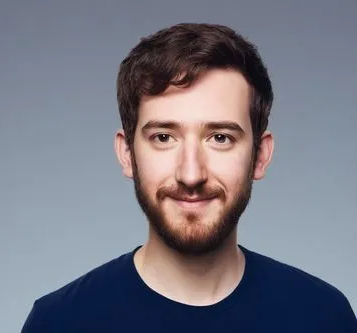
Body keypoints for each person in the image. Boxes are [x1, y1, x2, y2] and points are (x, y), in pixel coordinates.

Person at [21, 23, 357, 332]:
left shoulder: (324, 316)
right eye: (164, 137)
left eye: (220, 137)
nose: (191, 173)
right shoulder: (60, 322)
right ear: (127, 154)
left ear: (260, 155)